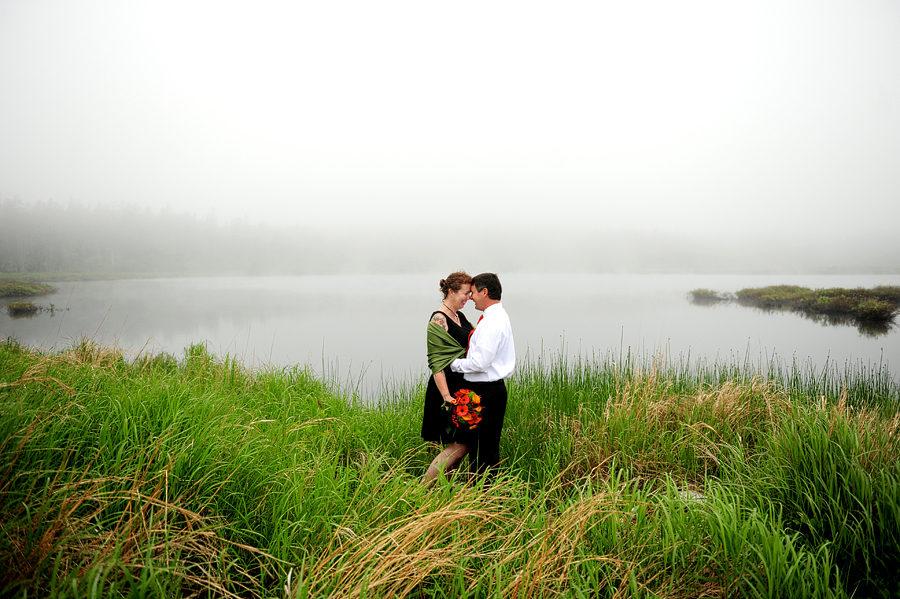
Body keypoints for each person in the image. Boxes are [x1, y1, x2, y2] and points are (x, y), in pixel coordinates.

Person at [450, 272, 515, 474]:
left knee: (483, 448)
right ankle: (482, 494)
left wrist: (453, 364)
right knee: (483, 446)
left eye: (473, 293)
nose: (471, 297)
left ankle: (482, 495)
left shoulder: (491, 323)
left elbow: (479, 363)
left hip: (486, 392)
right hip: (491, 390)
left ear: (484, 292)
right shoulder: (497, 317)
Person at [421, 271, 475, 484]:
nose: (468, 298)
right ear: (451, 291)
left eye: (471, 293)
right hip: (447, 390)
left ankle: (443, 493)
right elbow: (436, 363)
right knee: (460, 445)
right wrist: (446, 397)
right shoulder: (438, 319)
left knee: (459, 444)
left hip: (463, 387)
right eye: (465, 293)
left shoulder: (459, 317)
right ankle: (422, 490)